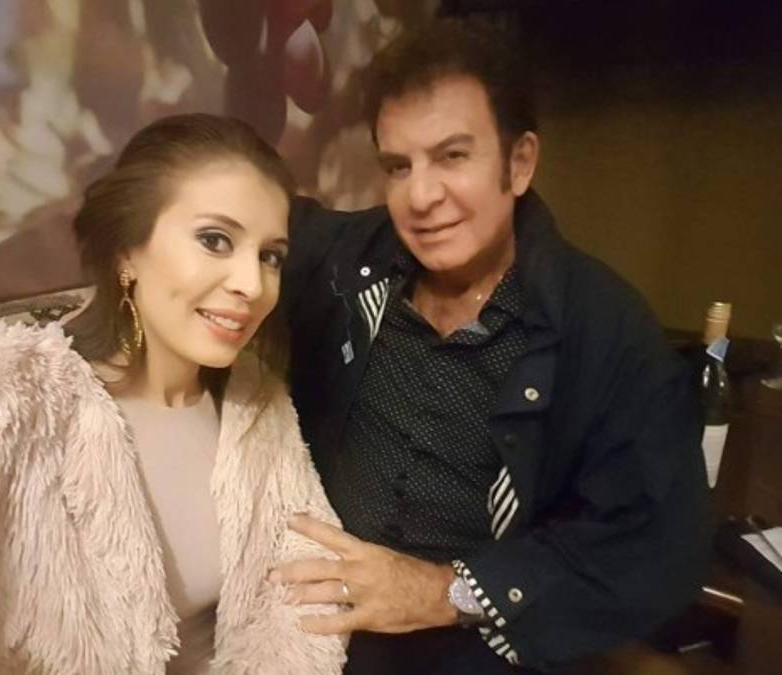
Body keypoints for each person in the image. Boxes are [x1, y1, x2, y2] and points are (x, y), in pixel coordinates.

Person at [272, 17, 710, 675]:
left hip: (479, 645)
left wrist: (444, 592)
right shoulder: (340, 261)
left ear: (519, 162)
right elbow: (224, 207)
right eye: (398, 166)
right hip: (308, 628)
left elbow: (657, 545)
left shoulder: (605, 330)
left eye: (452, 156)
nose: (421, 196)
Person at [0, 114, 346, 674]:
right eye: (215, 240)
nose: (252, 284)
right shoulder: (8, 392)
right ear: (128, 250)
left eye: (270, 255)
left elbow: (303, 588)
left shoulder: (257, 406)